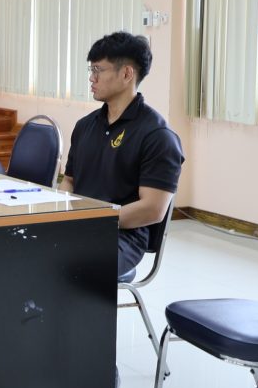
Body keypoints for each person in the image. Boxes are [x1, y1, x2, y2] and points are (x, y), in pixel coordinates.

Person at [60, 31, 184, 277]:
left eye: (98, 70)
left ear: (127, 74)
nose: (91, 78)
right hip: (80, 226)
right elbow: (69, 181)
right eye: (91, 70)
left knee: (63, 263)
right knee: (19, 245)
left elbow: (153, 208)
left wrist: (94, 220)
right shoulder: (85, 126)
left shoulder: (157, 135)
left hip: (122, 237)